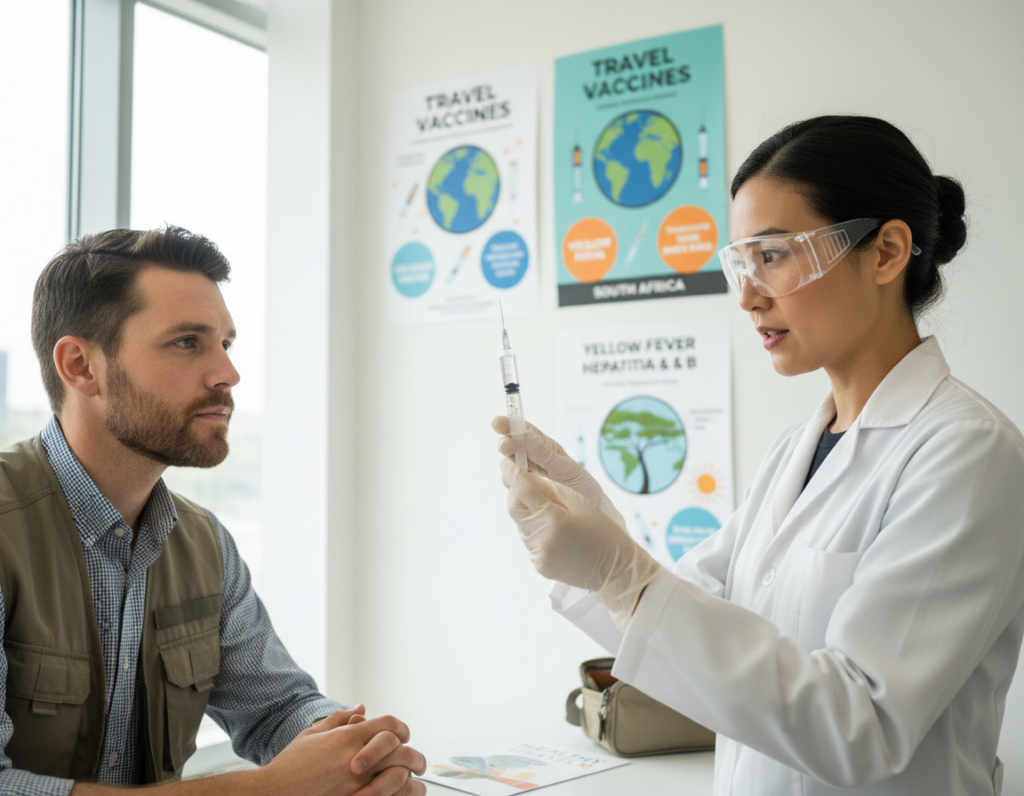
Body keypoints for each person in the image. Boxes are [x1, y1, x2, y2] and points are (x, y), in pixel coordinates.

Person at [495, 115, 1024, 794]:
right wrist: (600, 544)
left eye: (773, 254)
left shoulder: (969, 455)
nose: (746, 296)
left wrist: (623, 571)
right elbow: (686, 627)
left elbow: (864, 727)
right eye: (741, 260)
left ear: (888, 252)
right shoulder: (796, 451)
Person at [0, 227, 427, 796]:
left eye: (226, 343)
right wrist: (269, 790)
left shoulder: (204, 544)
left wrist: (359, 751)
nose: (227, 373)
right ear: (80, 366)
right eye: (187, 342)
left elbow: (278, 708)